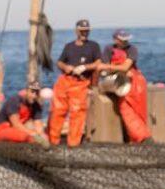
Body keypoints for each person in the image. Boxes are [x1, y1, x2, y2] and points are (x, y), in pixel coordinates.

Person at [48, 18, 102, 146]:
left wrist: (85, 67)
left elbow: (98, 63)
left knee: (77, 114)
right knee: (57, 111)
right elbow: (60, 62)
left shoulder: (93, 46)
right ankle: (53, 141)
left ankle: (73, 144)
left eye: (87, 31)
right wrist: (65, 67)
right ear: (76, 31)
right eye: (82, 31)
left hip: (81, 83)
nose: (85, 33)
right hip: (65, 80)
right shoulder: (69, 46)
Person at [100, 29, 151, 143]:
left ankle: (141, 137)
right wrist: (113, 69)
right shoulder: (108, 49)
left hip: (135, 84)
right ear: (115, 39)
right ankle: (140, 137)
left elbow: (124, 67)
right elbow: (104, 67)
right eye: (122, 40)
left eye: (126, 40)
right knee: (126, 110)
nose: (125, 42)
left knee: (139, 110)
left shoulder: (132, 49)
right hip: (118, 83)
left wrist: (111, 67)